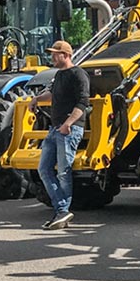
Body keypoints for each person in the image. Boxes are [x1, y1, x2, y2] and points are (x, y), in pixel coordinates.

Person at [32, 40, 90, 230]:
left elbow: (83, 102)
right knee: (44, 169)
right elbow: (53, 96)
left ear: (65, 55)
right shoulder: (58, 75)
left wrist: (68, 124)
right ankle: (62, 210)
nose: (52, 57)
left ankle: (62, 211)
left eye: (55, 54)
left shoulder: (78, 74)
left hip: (69, 130)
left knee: (63, 173)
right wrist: (37, 99)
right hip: (55, 129)